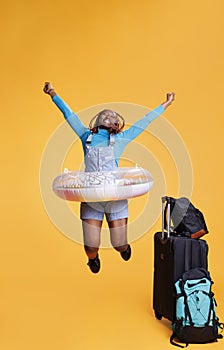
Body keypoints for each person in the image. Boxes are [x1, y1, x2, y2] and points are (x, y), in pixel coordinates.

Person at [43, 82, 175, 273]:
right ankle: (93, 259)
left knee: (119, 244)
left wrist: (166, 103)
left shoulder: (121, 138)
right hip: (91, 198)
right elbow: (69, 115)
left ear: (116, 124)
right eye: (104, 114)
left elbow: (145, 121)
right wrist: (52, 93)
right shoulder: (85, 136)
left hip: (115, 197)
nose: (108, 115)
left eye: (112, 115)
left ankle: (124, 247)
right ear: (98, 121)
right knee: (90, 248)